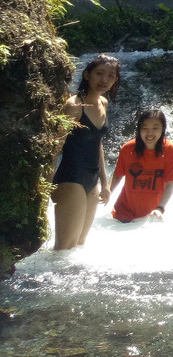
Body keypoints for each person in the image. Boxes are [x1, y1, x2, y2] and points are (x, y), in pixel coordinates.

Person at [51, 54, 120, 250]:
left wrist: (105, 184)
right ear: (87, 75)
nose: (104, 80)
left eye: (110, 76)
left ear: (115, 80)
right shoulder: (74, 106)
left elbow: (97, 143)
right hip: (70, 177)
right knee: (65, 248)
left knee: (79, 246)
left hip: (92, 179)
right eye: (99, 74)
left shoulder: (103, 103)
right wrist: (46, 180)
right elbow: (56, 146)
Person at [109, 107, 173, 222]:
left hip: (152, 215)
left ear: (163, 129)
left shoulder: (172, 151)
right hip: (124, 213)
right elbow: (118, 175)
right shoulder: (128, 148)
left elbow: (170, 184)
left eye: (155, 128)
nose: (149, 133)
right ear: (139, 130)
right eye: (145, 128)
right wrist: (106, 193)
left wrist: (160, 208)